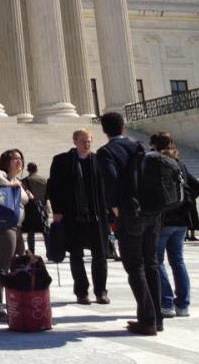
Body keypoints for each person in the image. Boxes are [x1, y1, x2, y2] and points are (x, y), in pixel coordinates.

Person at [96, 112, 162, 335]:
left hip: (129, 214)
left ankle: (147, 320)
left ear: (105, 130)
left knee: (135, 267)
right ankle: (157, 318)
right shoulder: (141, 147)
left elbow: (110, 181)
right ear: (123, 127)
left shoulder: (106, 152)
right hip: (152, 212)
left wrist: (115, 207)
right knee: (151, 264)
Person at [48, 129, 110, 305]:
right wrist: (57, 211)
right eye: (83, 140)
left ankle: (101, 292)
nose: (87, 143)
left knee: (101, 256)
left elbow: (106, 187)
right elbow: (54, 188)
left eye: (89, 140)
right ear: (75, 141)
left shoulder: (99, 160)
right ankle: (81, 292)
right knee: (76, 256)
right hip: (72, 216)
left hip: (96, 215)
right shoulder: (61, 161)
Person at [150, 132, 199, 319]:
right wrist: (183, 202)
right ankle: (183, 305)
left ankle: (167, 303)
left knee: (157, 260)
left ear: (154, 145)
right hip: (182, 220)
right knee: (178, 261)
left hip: (164, 219)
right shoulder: (179, 163)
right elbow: (195, 186)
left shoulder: (157, 163)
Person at [0, 149, 29, 321]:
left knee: (18, 267)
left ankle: (15, 303)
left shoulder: (17, 180)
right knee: (1, 268)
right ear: (6, 161)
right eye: (15, 159)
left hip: (17, 228)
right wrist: (10, 185)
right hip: (4, 227)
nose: (19, 162)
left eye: (21, 159)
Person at [21, 162, 48, 254]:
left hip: (30, 209)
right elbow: (48, 194)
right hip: (42, 208)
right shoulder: (44, 180)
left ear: (28, 170)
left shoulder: (24, 181)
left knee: (30, 232)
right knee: (45, 231)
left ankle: (31, 251)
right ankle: (49, 252)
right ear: (36, 169)